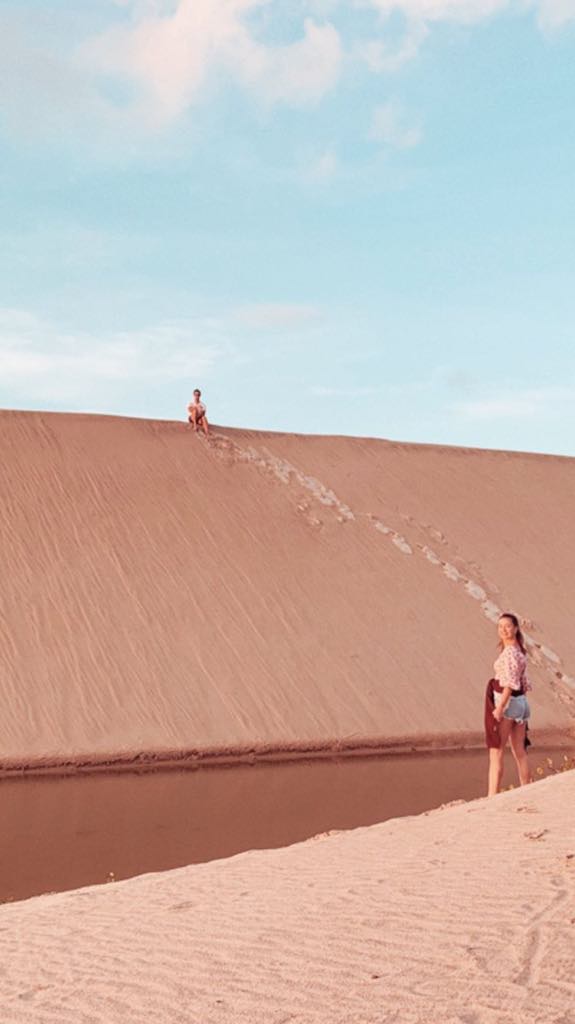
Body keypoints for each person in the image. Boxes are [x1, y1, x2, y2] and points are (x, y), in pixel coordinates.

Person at [485, 612, 532, 797]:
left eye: (508, 626)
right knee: (519, 751)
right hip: (520, 703)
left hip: (508, 704)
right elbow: (523, 682)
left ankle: (492, 797)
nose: (503, 630)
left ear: (516, 628)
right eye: (500, 626)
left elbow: (510, 684)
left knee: (496, 752)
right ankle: (526, 788)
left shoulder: (512, 652)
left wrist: (499, 708)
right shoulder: (518, 649)